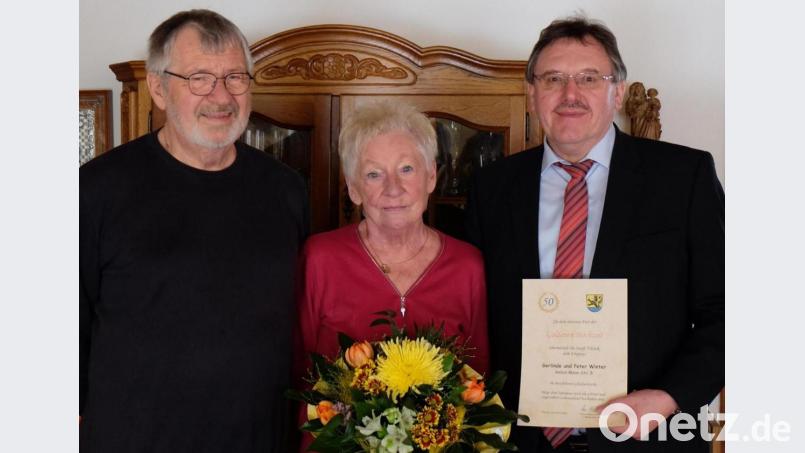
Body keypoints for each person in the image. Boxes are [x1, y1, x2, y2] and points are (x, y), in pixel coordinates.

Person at [466, 16, 724, 453]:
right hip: (518, 441)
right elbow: (471, 311)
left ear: (618, 91)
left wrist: (670, 397)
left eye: (589, 78)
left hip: (649, 439)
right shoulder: (491, 188)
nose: (570, 94)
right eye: (553, 79)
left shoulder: (684, 177)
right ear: (531, 94)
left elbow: (729, 310)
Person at [79, 9, 309, 452]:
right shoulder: (95, 190)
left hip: (257, 439)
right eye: (200, 77)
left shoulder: (285, 189)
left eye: (235, 77)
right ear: (159, 89)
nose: (220, 96)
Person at [294, 101, 490, 447]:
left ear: (431, 176)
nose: (393, 188)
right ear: (353, 188)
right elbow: (299, 378)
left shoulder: (467, 266)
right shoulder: (319, 258)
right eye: (373, 174)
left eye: (406, 169)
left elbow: (479, 389)